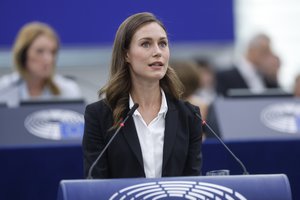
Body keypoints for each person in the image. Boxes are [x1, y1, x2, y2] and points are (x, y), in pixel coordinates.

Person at [82, 12, 203, 179]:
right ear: (126, 55)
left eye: (163, 44)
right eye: (146, 44)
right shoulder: (99, 115)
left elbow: (193, 182)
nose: (157, 52)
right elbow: (95, 185)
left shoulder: (190, 115)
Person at [0, 22, 81, 107]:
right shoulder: (3, 89)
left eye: (52, 52)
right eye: (40, 51)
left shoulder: (68, 89)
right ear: (23, 55)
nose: (49, 59)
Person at [216, 33, 281, 96]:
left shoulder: (266, 77)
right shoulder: (225, 76)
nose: (268, 55)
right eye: (264, 51)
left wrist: (274, 76)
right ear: (252, 50)